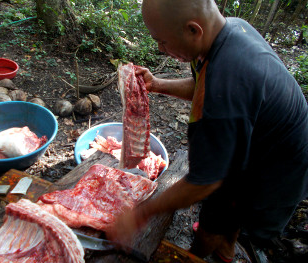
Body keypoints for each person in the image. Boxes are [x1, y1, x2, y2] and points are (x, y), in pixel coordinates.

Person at [107, 0, 308, 262]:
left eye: (162, 41)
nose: (160, 49)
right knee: (225, 211)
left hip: (278, 169)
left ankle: (199, 254)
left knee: (217, 217)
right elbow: (203, 83)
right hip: (259, 139)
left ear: (193, 30)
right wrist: (156, 84)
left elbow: (205, 182)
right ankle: (225, 251)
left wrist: (140, 214)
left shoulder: (227, 87)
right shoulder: (229, 30)